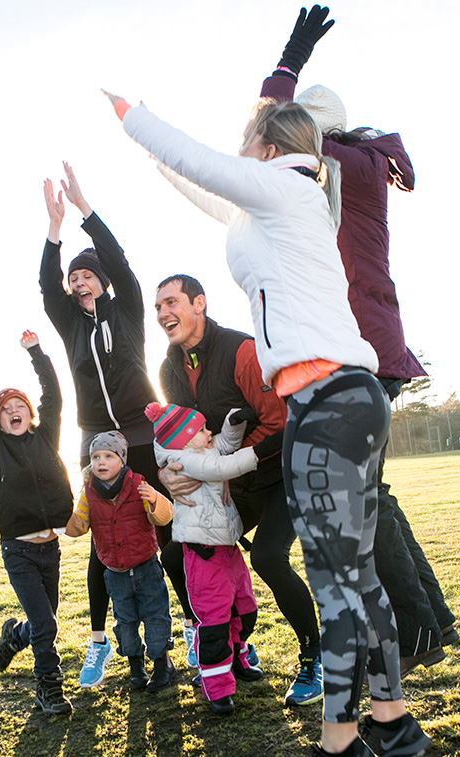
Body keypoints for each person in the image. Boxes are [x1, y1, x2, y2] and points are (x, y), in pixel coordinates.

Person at [105, 46, 431, 757]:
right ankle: (393, 725)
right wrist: (151, 157)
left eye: (246, 139)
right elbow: (203, 183)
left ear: (269, 145)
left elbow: (206, 162)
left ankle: (343, 740)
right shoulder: (281, 202)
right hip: (343, 396)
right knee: (356, 576)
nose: (237, 148)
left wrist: (132, 115)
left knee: (336, 579)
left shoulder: (287, 189)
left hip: (328, 398)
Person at [259, 4, 457, 675]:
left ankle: (418, 627)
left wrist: (289, 57)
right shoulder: (345, 168)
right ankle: (430, 619)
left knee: (363, 496)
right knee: (372, 491)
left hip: (363, 348)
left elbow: (267, 121)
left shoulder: (351, 165)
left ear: (315, 130)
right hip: (367, 343)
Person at [40, 162, 190, 688]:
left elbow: (123, 266)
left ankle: (192, 628)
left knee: (161, 526)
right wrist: (54, 230)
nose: (78, 281)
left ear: (102, 284)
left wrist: (84, 210)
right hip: (95, 436)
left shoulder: (124, 312)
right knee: (106, 541)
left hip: (142, 430)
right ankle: (102, 641)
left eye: (87, 275)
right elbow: (45, 284)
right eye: (73, 277)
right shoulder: (69, 326)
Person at [154, 274, 323, 706]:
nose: (163, 314)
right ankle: (229, 645)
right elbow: (178, 440)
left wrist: (223, 469)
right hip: (231, 487)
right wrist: (169, 475)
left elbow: (280, 423)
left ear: (199, 304)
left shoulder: (242, 350)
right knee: (175, 553)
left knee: (267, 556)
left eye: (171, 302)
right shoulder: (169, 367)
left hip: (280, 475)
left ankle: (314, 658)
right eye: (157, 307)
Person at [0, 330, 75, 715]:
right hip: (19, 551)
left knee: (43, 623)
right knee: (46, 627)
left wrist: (36, 353)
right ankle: (48, 690)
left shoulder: (47, 436)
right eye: (5, 408)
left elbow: (55, 397)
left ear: (30, 413)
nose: (13, 410)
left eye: (20, 405)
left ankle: (13, 638)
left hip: (51, 547)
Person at [146, 402, 262, 715]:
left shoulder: (202, 450)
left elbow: (224, 445)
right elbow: (223, 467)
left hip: (228, 548)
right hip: (203, 553)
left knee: (244, 610)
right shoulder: (185, 461)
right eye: (201, 430)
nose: (208, 432)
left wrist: (234, 421)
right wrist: (260, 452)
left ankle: (237, 658)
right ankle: (216, 687)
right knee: (214, 623)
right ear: (183, 440)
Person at [64, 431, 176, 692]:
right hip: (114, 572)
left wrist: (155, 501)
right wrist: (60, 520)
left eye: (108, 456)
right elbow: (78, 526)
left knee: (155, 616)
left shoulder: (139, 485)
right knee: (125, 621)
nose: (100, 462)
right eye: (95, 457)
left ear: (122, 460)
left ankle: (162, 664)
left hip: (146, 568)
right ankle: (136, 665)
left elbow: (165, 516)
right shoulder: (88, 495)